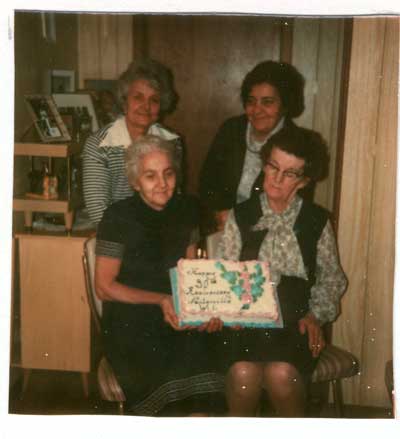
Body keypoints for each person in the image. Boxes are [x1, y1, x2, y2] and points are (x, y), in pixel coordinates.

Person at [213, 124, 347, 417]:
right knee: (243, 375)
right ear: (264, 164)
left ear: (304, 181)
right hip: (246, 325)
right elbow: (224, 273)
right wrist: (230, 311)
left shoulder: (316, 221)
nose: (276, 178)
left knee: (281, 374)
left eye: (289, 173)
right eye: (273, 166)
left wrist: (316, 315)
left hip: (295, 324)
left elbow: (332, 279)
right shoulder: (241, 215)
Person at [95, 135, 224, 416]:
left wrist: (201, 311)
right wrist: (162, 300)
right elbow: (104, 287)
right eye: (150, 176)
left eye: (168, 173)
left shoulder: (188, 209)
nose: (162, 183)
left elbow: (190, 274)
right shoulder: (117, 217)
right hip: (130, 320)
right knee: (168, 390)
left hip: (176, 314)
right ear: (134, 181)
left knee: (207, 376)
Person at [199, 60, 308, 232]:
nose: (257, 110)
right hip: (220, 226)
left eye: (267, 102)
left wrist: (239, 219)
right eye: (251, 101)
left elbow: (296, 205)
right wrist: (216, 217)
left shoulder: (298, 143)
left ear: (285, 105)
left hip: (269, 232)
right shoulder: (231, 129)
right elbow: (207, 185)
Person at [82, 58, 184, 226]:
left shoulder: (172, 142)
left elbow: (173, 199)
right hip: (115, 234)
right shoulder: (99, 145)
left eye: (154, 100)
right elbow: (98, 211)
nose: (146, 106)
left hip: (160, 232)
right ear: (124, 101)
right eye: (138, 97)